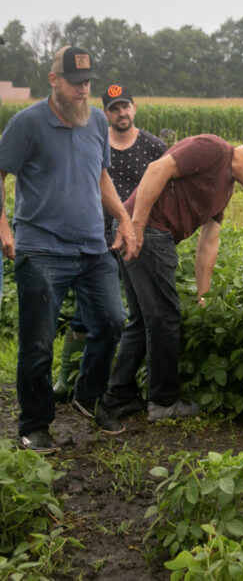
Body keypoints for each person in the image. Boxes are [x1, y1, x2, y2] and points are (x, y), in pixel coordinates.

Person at [0, 46, 139, 452]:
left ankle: (86, 395)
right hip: (41, 247)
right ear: (54, 79)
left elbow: (100, 177)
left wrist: (125, 219)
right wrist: (3, 226)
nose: (83, 91)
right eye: (76, 83)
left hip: (92, 246)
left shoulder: (97, 120)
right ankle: (35, 424)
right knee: (38, 341)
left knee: (113, 321)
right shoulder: (27, 124)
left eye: (88, 83)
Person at [101, 133, 243, 422]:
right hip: (149, 230)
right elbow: (156, 169)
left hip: (150, 233)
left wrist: (204, 295)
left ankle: (118, 396)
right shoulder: (212, 148)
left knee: (144, 319)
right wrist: (138, 226)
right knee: (165, 319)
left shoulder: (226, 188)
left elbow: (209, 242)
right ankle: (163, 402)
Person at [52, 84, 168, 402]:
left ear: (134, 108)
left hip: (136, 240)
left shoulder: (154, 147)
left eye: (125, 106)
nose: (121, 113)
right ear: (105, 114)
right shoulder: (94, 143)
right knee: (85, 313)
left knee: (130, 314)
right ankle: (66, 379)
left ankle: (112, 381)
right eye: (114, 109)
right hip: (96, 240)